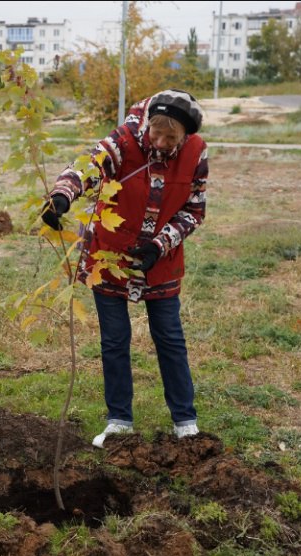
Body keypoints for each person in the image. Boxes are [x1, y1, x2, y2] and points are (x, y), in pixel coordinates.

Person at [42, 89, 208, 449]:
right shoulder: (124, 139)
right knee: (115, 341)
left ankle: (185, 421)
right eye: (156, 133)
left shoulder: (196, 152)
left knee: (170, 339)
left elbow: (195, 210)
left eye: (171, 138)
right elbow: (87, 166)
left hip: (159, 261)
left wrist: (159, 244)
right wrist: (61, 197)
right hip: (110, 259)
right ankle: (119, 421)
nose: (161, 143)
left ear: (186, 136)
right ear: (147, 124)